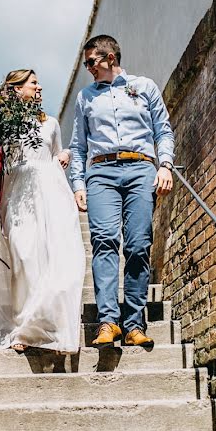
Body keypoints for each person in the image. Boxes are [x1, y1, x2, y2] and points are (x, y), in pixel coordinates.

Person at [68, 35, 175, 347]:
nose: (88, 68)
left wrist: (165, 165)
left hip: (141, 167)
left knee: (139, 245)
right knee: (103, 241)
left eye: (91, 62)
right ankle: (107, 321)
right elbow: (78, 146)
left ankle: (133, 325)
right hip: (100, 172)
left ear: (110, 58)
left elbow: (163, 130)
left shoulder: (144, 87)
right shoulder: (85, 97)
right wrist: (78, 184)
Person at [0, 69, 86, 354]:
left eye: (38, 82)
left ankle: (46, 328)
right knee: (24, 256)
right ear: (17, 89)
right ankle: (23, 323)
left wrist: (63, 156)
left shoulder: (50, 123)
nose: (39, 87)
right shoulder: (3, 124)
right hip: (17, 193)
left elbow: (56, 153)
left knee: (53, 256)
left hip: (50, 192)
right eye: (33, 83)